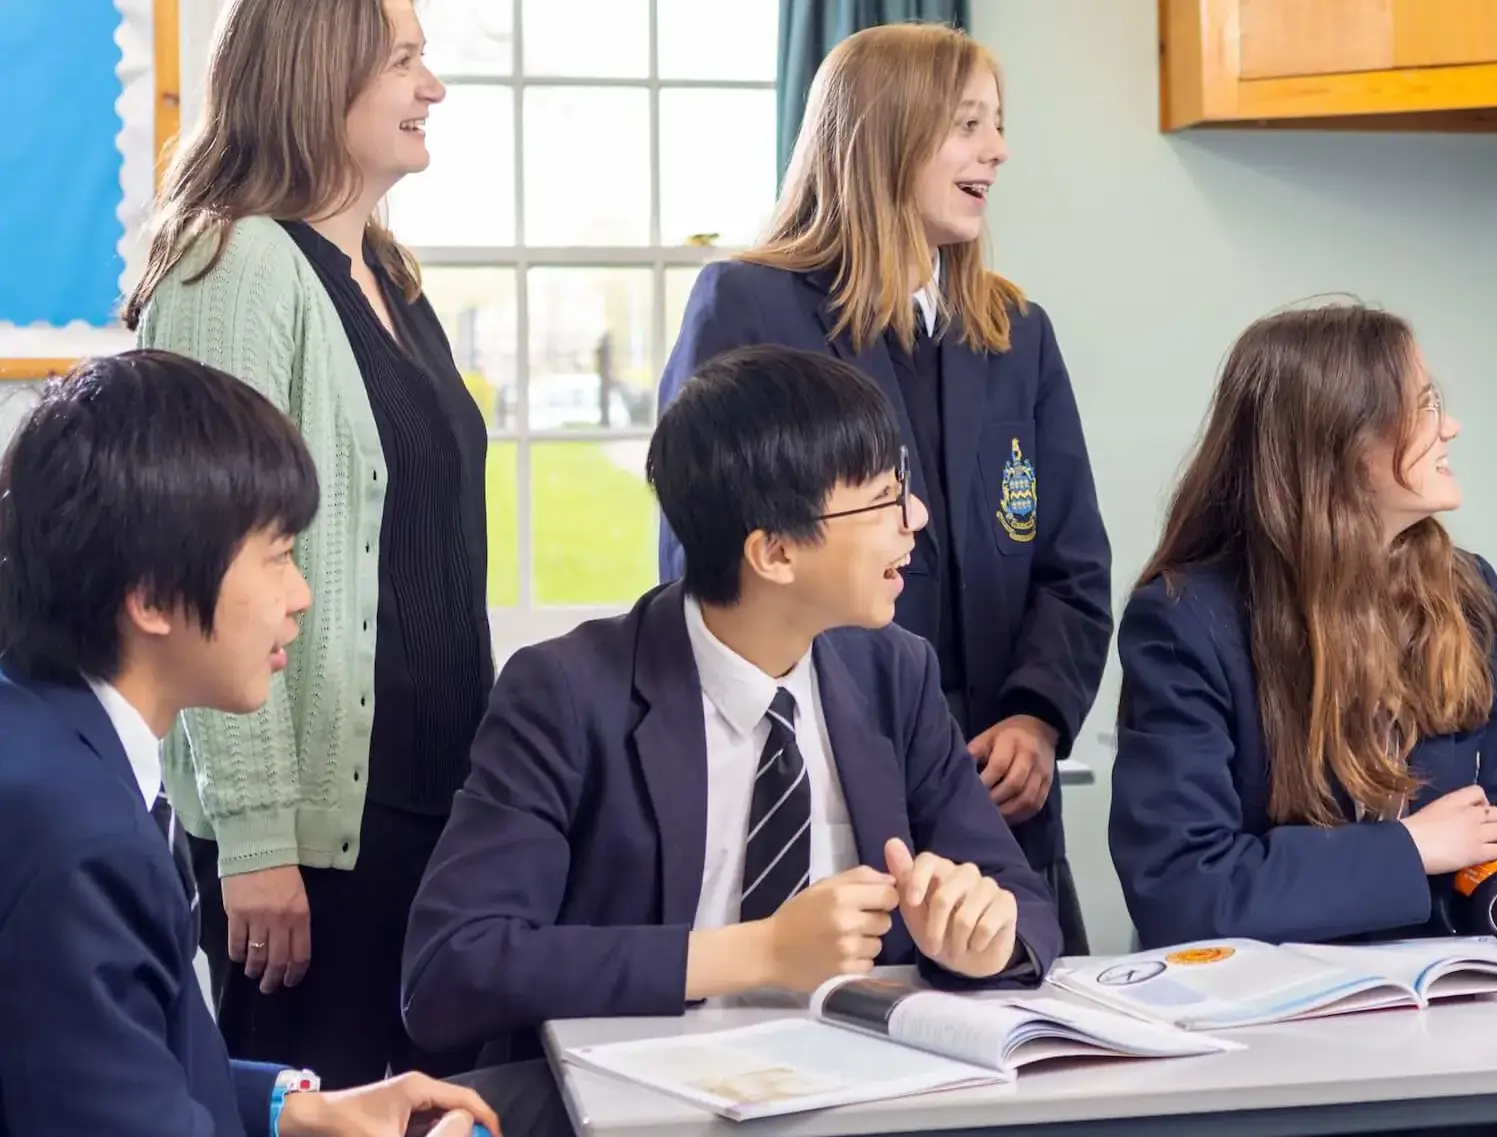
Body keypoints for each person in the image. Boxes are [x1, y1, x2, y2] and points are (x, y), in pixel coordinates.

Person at [404, 344, 1061, 1069]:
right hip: (637, 1102)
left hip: (858, 1091)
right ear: (775, 552)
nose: (917, 514)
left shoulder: (895, 674)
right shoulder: (564, 693)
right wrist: (759, 952)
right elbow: (450, 967)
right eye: (883, 497)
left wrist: (983, 934)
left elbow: (1023, 903)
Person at [1110, 303, 1497, 1137]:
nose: (1450, 425)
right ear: (1343, 445)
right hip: (1276, 1052)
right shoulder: (1187, 618)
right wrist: (1411, 848)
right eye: (1421, 407)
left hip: (1449, 1027)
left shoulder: (1470, 594)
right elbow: (1186, 890)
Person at [656, 22, 1110, 951]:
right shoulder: (748, 302)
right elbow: (705, 562)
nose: (999, 149)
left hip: (993, 800)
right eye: (969, 124)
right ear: (887, 133)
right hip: (817, 782)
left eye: (998, 124)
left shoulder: (1016, 332)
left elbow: (1072, 560)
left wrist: (1038, 713)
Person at [124, 0, 492, 1086]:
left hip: (432, 806)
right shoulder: (233, 264)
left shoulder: (391, 276)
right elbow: (208, 557)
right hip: (317, 838)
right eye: (406, 62)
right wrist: (256, 835)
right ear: (318, 77)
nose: (433, 88)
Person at [0, 351, 499, 1137]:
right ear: (153, 596)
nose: (299, 596)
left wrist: (295, 1107)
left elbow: (120, 1063)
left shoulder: (52, 734)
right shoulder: (76, 841)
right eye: (276, 557)